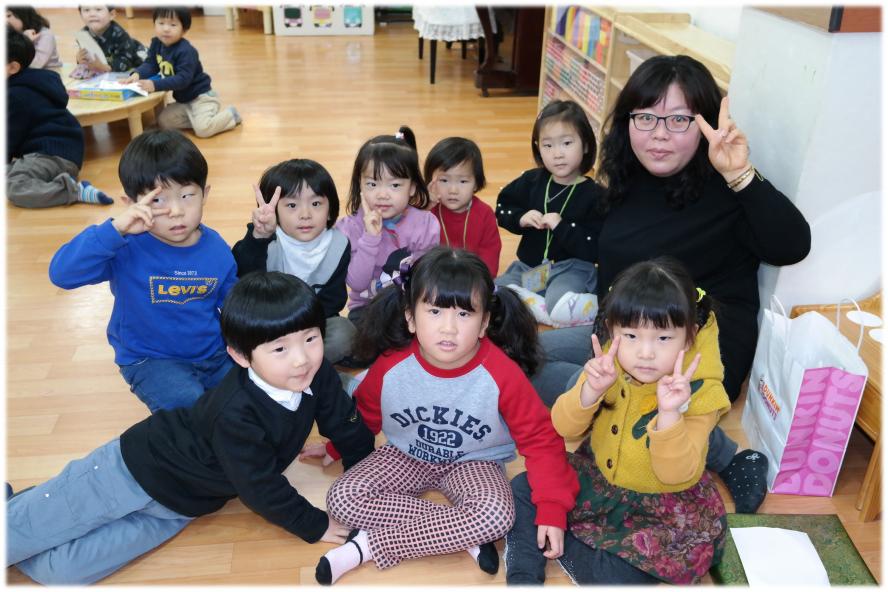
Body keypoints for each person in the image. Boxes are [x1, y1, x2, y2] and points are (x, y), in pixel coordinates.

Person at [532, 55, 810, 513]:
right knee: (525, 355)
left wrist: (740, 173)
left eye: (679, 119)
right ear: (628, 122)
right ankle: (625, 414)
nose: (659, 134)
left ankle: (725, 454)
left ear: (704, 125)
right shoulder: (627, 176)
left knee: (595, 388)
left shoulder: (724, 185)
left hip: (697, 348)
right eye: (646, 117)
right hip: (626, 334)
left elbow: (793, 245)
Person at [6, 271, 376, 585]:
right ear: (240, 355)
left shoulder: (317, 374)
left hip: (178, 506)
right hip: (129, 470)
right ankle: (27, 508)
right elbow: (259, 487)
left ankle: (26, 505)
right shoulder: (235, 412)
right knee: (11, 538)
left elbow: (345, 423)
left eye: (310, 339)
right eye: (280, 349)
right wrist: (314, 524)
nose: (301, 359)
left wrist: (366, 479)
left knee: (61, 574)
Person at [312, 247, 578, 585]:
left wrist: (552, 507)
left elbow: (541, 441)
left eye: (464, 314)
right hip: (405, 455)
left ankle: (365, 547)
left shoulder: (502, 374)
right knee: (342, 499)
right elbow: (365, 414)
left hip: (475, 462)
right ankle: (462, 533)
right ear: (411, 318)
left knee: (496, 515)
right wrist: (337, 447)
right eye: (435, 311)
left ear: (484, 323)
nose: (449, 328)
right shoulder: (391, 364)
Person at [506, 258, 730, 585]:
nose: (645, 353)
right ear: (613, 329)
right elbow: (564, 428)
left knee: (619, 578)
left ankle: (569, 541)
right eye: (631, 335)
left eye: (663, 338)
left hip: (659, 508)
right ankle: (524, 576)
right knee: (523, 487)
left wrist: (669, 414)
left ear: (689, 337)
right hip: (597, 481)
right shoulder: (609, 364)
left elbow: (676, 474)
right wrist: (589, 391)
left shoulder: (701, 393)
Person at [48, 130, 238, 412]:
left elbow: (234, 305)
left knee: (249, 397)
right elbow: (62, 273)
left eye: (187, 195)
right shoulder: (124, 245)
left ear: (204, 195)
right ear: (131, 205)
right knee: (190, 408)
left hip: (213, 353)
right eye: (158, 200)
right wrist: (115, 229)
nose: (176, 210)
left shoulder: (217, 248)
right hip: (151, 359)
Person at [232, 158, 356, 365]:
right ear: (275, 211)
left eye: (316, 204)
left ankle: (287, 367)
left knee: (344, 334)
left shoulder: (338, 244)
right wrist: (259, 237)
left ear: (330, 210)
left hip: (311, 327)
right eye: (292, 205)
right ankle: (299, 366)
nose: (305, 215)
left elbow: (333, 301)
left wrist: (301, 332)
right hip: (268, 324)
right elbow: (243, 278)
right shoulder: (266, 239)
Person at [494, 99, 603, 328]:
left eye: (566, 143)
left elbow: (594, 247)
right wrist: (520, 218)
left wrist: (563, 227)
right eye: (548, 145)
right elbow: (503, 207)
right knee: (495, 293)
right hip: (532, 270)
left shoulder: (595, 195)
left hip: (571, 270)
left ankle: (588, 307)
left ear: (585, 145)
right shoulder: (531, 181)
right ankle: (550, 311)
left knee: (557, 299)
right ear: (538, 148)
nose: (557, 154)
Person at [334, 125, 439, 326]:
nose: (382, 195)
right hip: (366, 308)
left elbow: (427, 279)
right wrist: (370, 238)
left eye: (395, 185)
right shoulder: (350, 228)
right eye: (372, 184)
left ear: (412, 188)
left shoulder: (425, 224)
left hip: (411, 306)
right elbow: (357, 284)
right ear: (359, 185)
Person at [6, 26, 112, 208]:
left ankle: (73, 191)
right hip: (57, 152)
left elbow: (9, 137)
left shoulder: (15, 95)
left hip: (51, 155)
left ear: (13, 67)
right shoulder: (33, 81)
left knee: (16, 187)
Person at [124, 7, 240, 138]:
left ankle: (231, 115)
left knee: (203, 130)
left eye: (173, 25)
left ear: (184, 29)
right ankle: (199, 118)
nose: (166, 29)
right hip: (183, 101)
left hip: (201, 98)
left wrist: (154, 85)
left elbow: (183, 79)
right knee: (164, 122)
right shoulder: (156, 43)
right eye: (161, 23)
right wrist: (137, 74)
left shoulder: (187, 51)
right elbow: (151, 64)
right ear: (154, 24)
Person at [424, 136, 502, 276]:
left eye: (463, 181)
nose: (453, 190)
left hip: (473, 279)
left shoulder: (484, 214)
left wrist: (479, 280)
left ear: (476, 183)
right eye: (444, 180)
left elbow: (490, 255)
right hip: (433, 277)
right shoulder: (427, 211)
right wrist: (424, 209)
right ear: (431, 182)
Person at [74, 5, 147, 74]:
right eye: (86, 10)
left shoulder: (119, 34)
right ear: (81, 15)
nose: (92, 14)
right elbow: (87, 56)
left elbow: (125, 62)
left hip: (136, 57)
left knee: (146, 66)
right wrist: (80, 59)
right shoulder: (83, 34)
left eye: (98, 9)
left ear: (111, 14)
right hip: (108, 62)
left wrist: (104, 67)